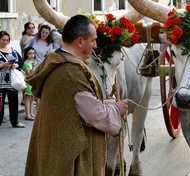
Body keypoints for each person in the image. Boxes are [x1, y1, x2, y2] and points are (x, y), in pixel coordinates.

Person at [24, 15, 128, 176]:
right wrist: (116, 108)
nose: (95, 45)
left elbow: (78, 106)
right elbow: (95, 115)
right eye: (93, 40)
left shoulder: (56, 60)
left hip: (54, 149)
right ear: (80, 41)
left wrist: (106, 103)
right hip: (69, 158)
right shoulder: (72, 73)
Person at [0, 30, 25, 128]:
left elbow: (21, 62)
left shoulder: (13, 50)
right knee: (0, 103)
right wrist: (3, 65)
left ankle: (15, 122)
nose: (5, 42)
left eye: (7, 40)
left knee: (14, 101)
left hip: (13, 81)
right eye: (3, 40)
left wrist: (16, 65)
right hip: (1, 82)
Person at [19, 22, 35, 105]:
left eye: (33, 27)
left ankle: (28, 98)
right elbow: (26, 49)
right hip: (26, 60)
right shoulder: (25, 38)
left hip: (31, 60)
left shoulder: (33, 37)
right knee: (26, 81)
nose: (31, 29)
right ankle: (24, 99)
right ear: (26, 29)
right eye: (29, 28)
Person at [23, 47, 36, 121]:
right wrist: (34, 67)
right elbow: (29, 73)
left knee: (32, 98)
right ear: (26, 54)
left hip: (33, 82)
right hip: (28, 82)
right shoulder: (26, 63)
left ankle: (31, 113)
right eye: (30, 53)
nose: (32, 55)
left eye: (33, 53)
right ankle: (28, 114)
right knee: (28, 98)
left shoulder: (34, 61)